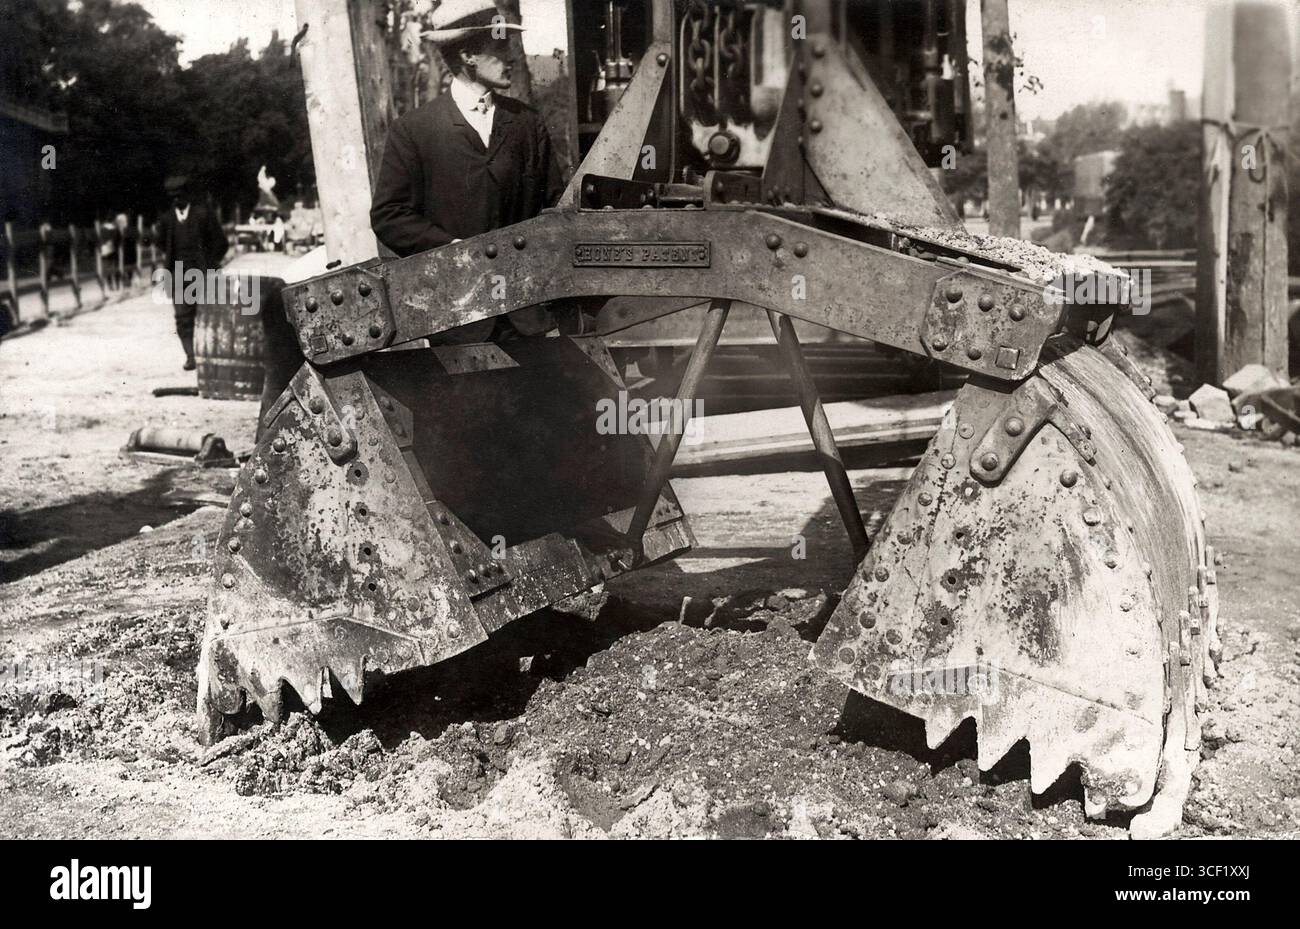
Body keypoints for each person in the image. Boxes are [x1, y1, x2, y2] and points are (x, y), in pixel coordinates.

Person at [370, 0, 561, 339]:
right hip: (455, 323)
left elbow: (555, 206)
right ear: (468, 55)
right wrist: (454, 249)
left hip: (527, 321)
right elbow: (390, 215)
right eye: (500, 47)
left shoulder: (527, 123)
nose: (512, 57)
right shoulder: (415, 130)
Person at [158, 175, 228, 370]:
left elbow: (221, 242)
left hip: (204, 275)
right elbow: (162, 244)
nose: (176, 200)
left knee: (209, 317)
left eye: (179, 195)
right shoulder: (166, 219)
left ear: (187, 195)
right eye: (172, 197)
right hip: (178, 276)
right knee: (182, 318)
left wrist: (210, 263)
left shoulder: (203, 214)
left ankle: (210, 355)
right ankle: (191, 356)